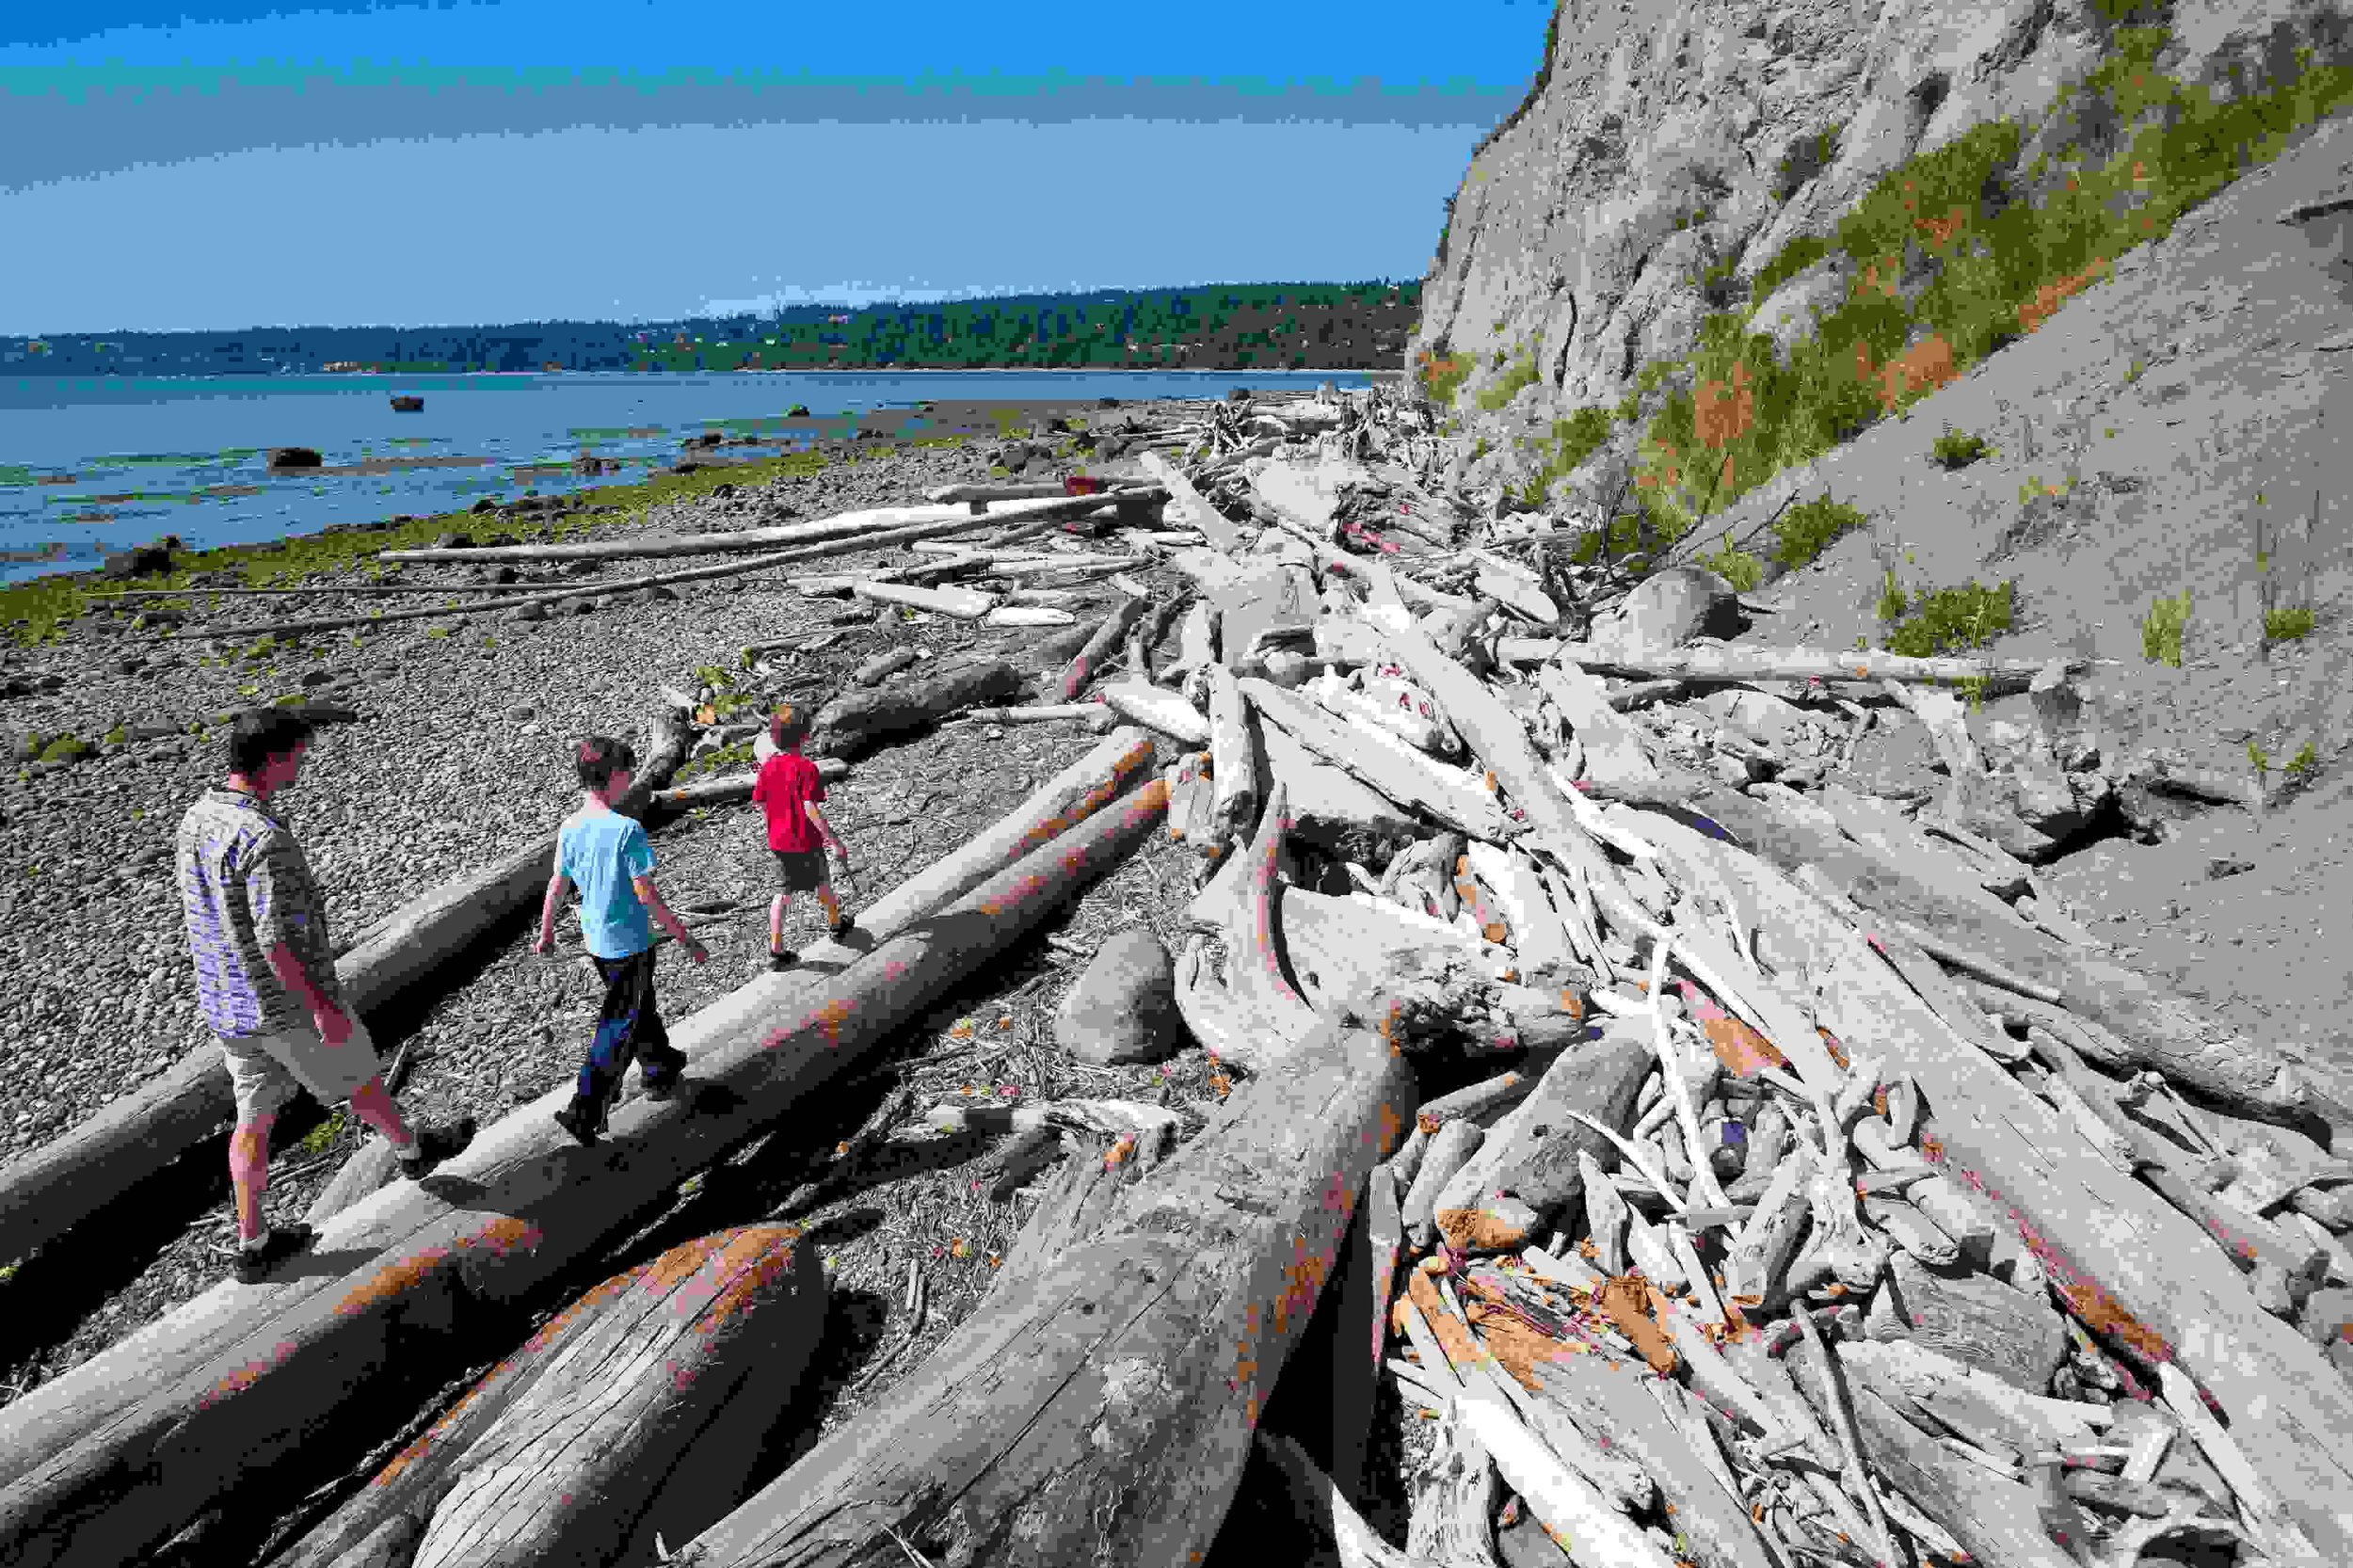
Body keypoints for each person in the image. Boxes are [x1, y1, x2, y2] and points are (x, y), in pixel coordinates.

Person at [176, 709, 477, 1284]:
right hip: (282, 1005)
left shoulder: (198, 818)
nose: (304, 762)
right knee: (357, 1078)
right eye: (298, 753)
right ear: (272, 760)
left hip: (227, 1003)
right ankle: (414, 1153)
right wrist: (322, 1009)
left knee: (253, 1118)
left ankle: (253, 1244)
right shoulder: (263, 841)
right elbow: (276, 942)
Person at [534, 735, 701, 1147]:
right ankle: (584, 1111)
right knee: (619, 1024)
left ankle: (660, 1065)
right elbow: (647, 896)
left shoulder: (570, 827)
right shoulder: (628, 830)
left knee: (636, 1006)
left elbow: (558, 884)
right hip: (630, 943)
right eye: (627, 772)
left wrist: (546, 930)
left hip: (597, 942)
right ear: (613, 776)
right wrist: (683, 935)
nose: (630, 780)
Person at [752, 703, 854, 970]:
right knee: (823, 883)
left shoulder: (768, 768)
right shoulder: (807, 768)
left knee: (782, 894)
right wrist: (833, 840)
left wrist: (777, 818)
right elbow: (810, 807)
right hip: (807, 841)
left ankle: (776, 948)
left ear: (773, 738)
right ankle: (835, 924)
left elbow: (760, 803)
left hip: (779, 843)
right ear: (806, 737)